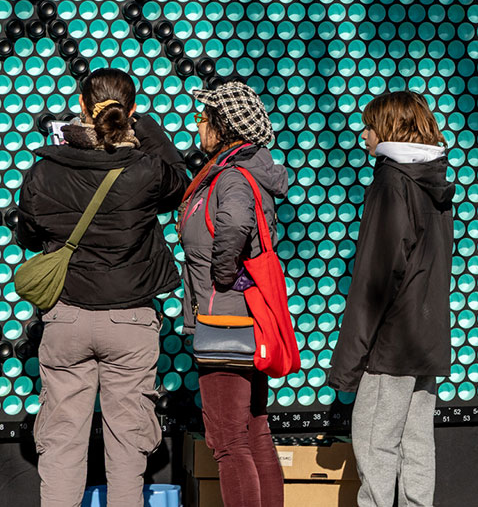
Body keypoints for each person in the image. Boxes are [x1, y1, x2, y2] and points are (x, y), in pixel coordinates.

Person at [16, 67, 187, 507]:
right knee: (127, 445)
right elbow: (179, 186)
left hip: (66, 317)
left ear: (81, 107)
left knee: (61, 442)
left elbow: (29, 236)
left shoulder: (44, 170)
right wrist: (145, 126)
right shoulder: (146, 169)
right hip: (130, 320)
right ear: (129, 110)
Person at [328, 90, 455, 507]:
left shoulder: (390, 181)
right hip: (427, 338)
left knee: (374, 444)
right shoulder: (434, 180)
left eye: (368, 126)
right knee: (417, 443)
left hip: (391, 344)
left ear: (387, 129)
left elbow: (375, 278)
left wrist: (347, 364)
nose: (363, 136)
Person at [179, 79, 290, 507]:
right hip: (246, 317)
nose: (198, 125)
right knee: (254, 429)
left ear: (221, 125)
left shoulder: (231, 175)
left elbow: (237, 224)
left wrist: (221, 277)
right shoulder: (243, 169)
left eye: (203, 118)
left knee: (228, 442)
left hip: (225, 317)